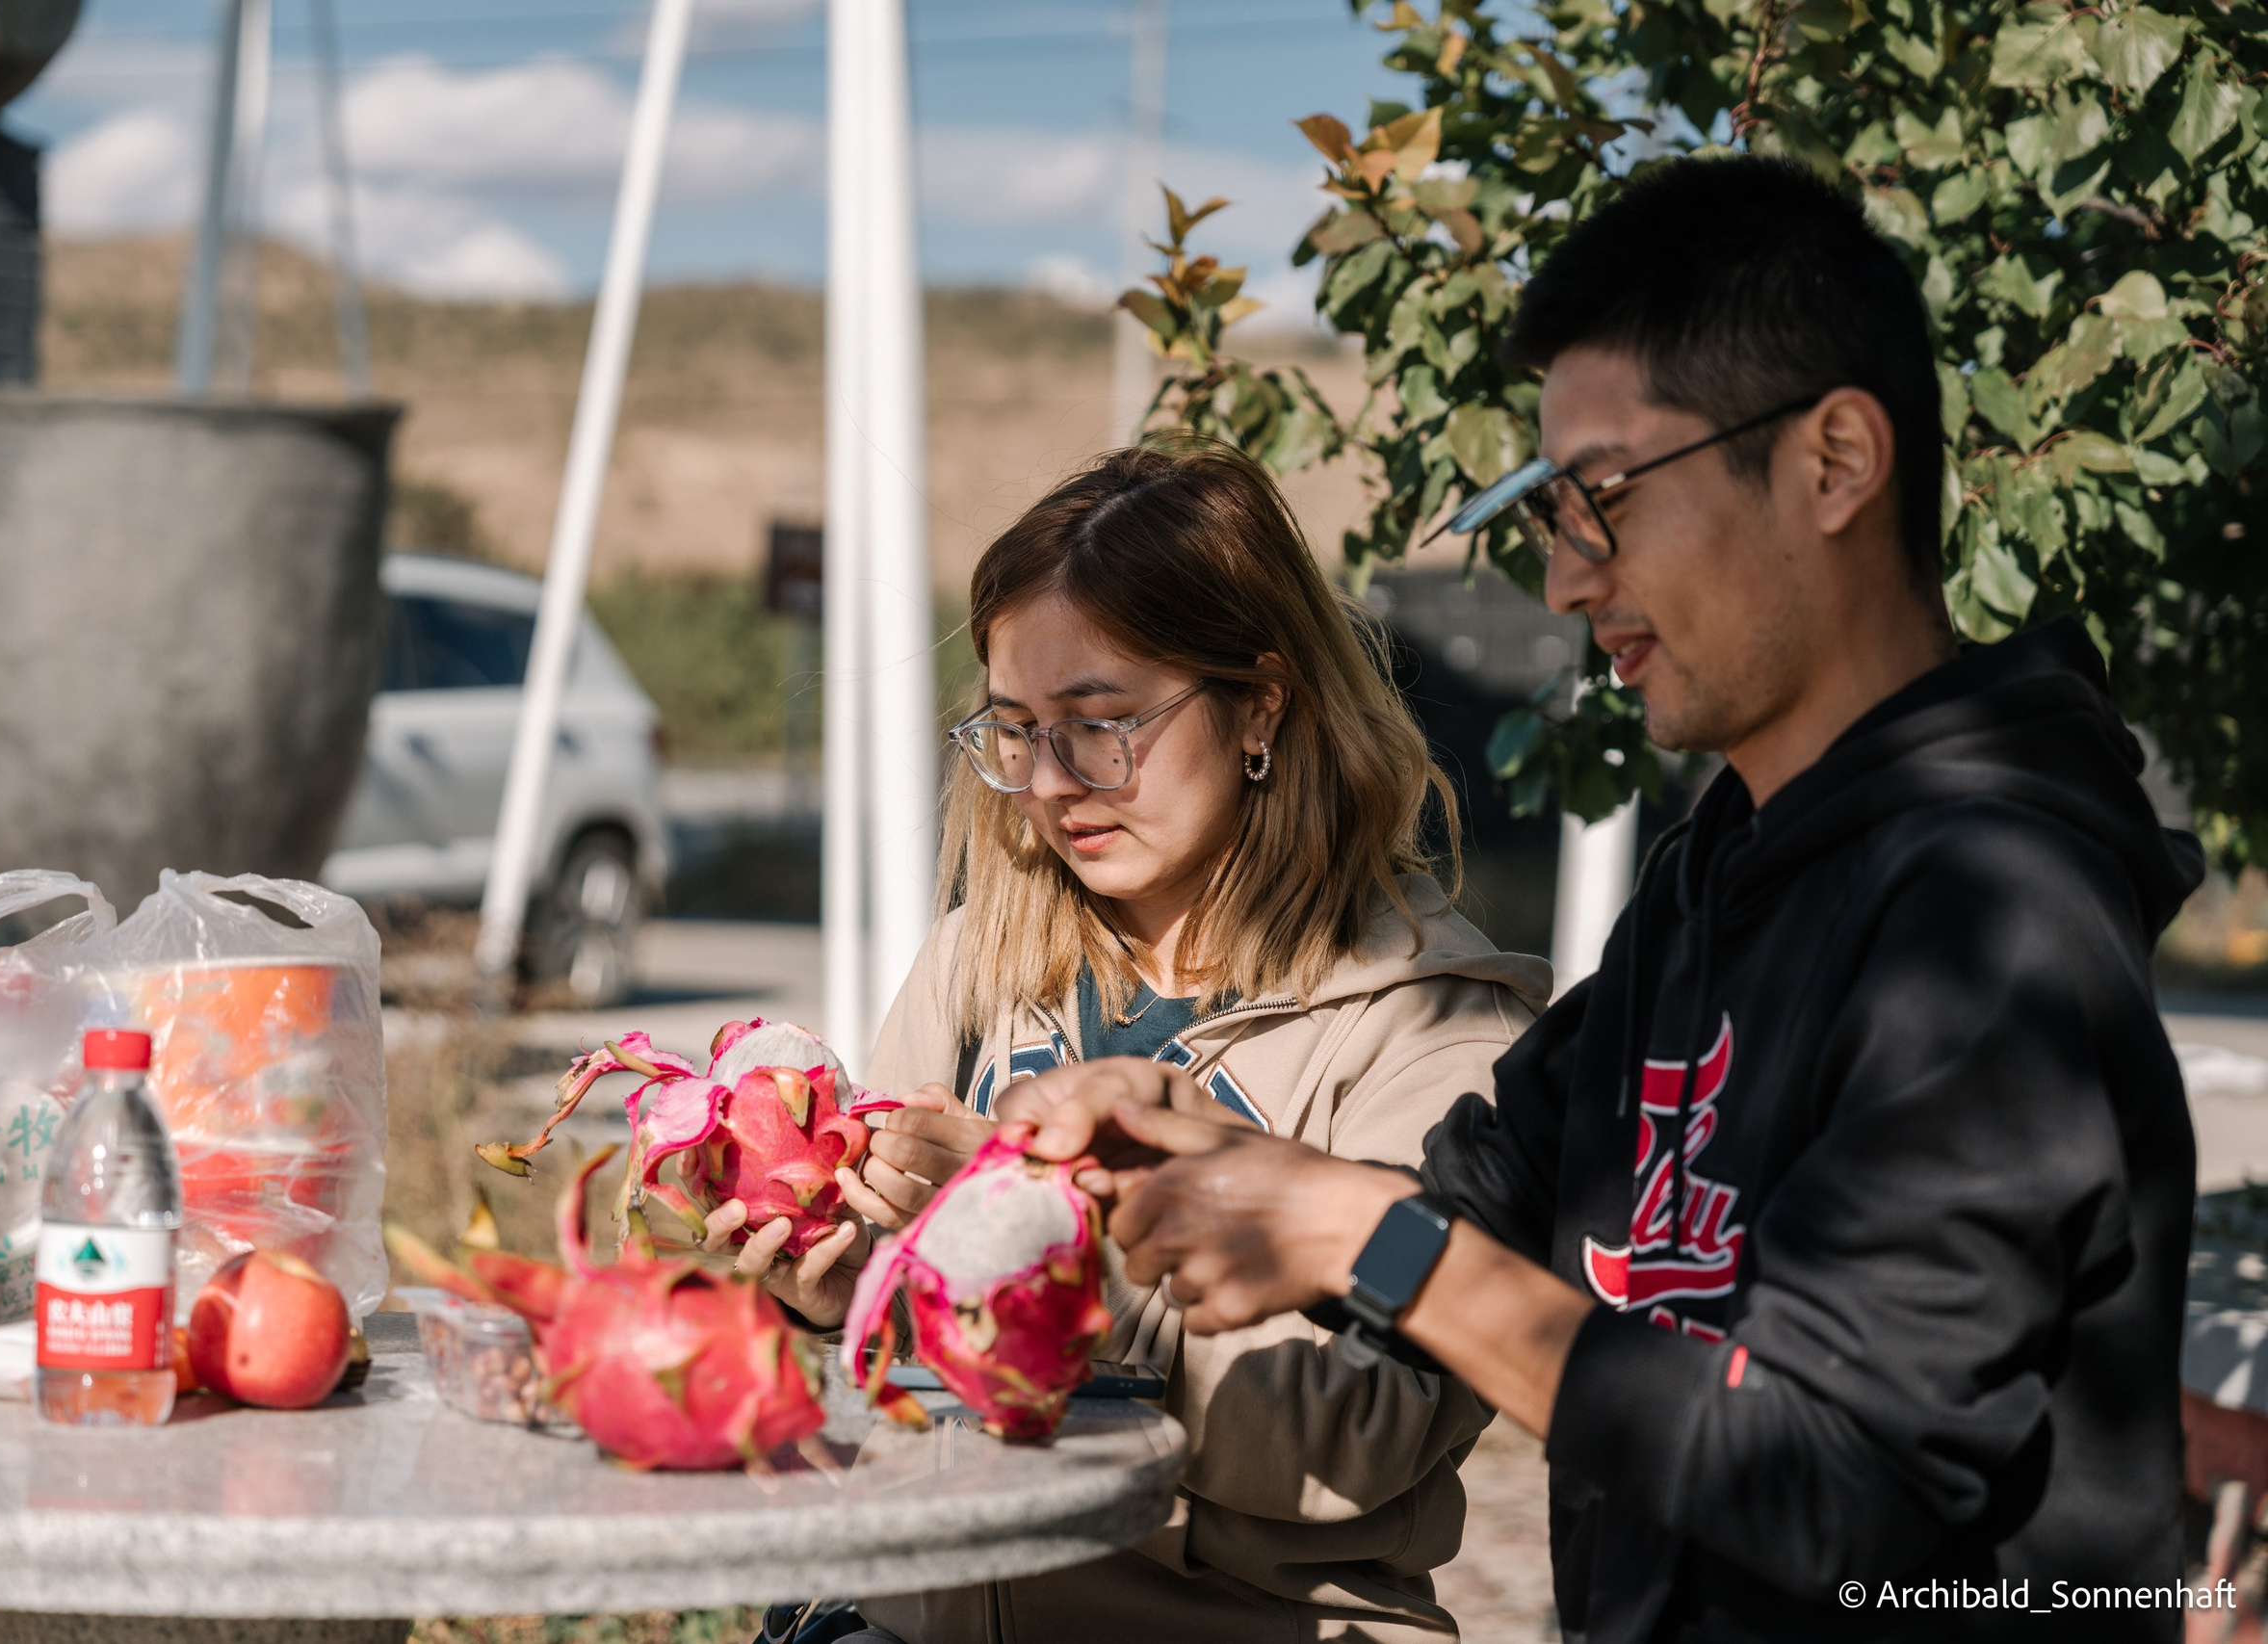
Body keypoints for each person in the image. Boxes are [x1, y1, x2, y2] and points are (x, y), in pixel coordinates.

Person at [1004, 156, 2203, 1642]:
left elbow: (1835, 1477)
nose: (1568, 578)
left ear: (1835, 460)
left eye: (1605, 500)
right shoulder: (1719, 869)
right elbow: (1483, 1187)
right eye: (1547, 510)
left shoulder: (1992, 910)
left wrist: (1372, 1238)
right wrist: (1193, 1154)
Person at [716, 438, 1551, 1643]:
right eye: (1014, 731)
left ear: (1261, 703)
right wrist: (835, 1296)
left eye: (1101, 726)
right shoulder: (978, 964)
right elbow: (881, 1393)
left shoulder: (1428, 1022)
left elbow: (1357, 1434)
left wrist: (1039, 1266)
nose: (1053, 782)